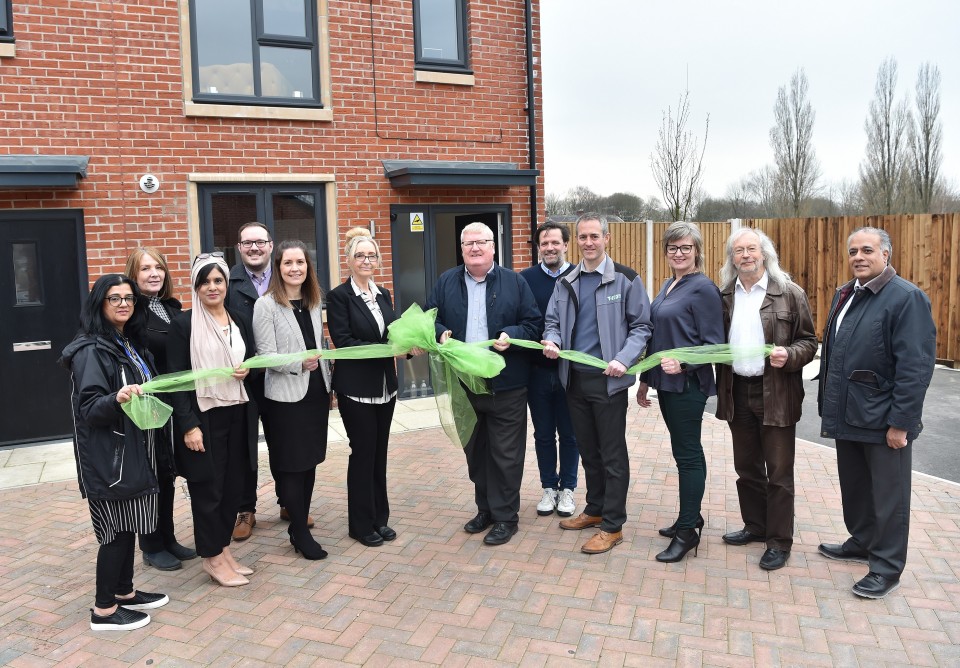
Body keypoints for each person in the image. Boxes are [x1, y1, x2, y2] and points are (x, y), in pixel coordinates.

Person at [817, 226, 936, 599]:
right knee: (856, 488)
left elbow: (915, 367)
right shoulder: (847, 293)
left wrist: (901, 423)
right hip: (849, 413)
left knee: (889, 496)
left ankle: (885, 567)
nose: (858, 257)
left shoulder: (906, 298)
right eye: (853, 251)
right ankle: (863, 541)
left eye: (867, 250)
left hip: (883, 419)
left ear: (886, 254)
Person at [60, 274, 169, 631]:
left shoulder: (124, 342)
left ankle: (123, 591)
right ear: (99, 304)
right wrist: (116, 398)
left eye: (128, 298)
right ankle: (104, 610)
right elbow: (89, 409)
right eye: (114, 298)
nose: (123, 304)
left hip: (132, 450)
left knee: (128, 527)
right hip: (111, 460)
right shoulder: (91, 349)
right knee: (114, 534)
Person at [425, 222, 542, 546]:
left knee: (506, 454)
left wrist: (512, 336)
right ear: (461, 249)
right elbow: (428, 316)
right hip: (464, 383)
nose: (474, 248)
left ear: (493, 247)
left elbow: (533, 324)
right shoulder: (447, 281)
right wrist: (439, 331)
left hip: (507, 384)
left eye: (481, 242)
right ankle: (486, 509)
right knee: (476, 452)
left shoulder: (514, 283)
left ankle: (506, 518)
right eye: (468, 243)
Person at [543, 212, 652, 554]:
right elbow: (552, 322)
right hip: (574, 380)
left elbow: (642, 327)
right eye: (583, 237)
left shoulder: (625, 279)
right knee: (588, 451)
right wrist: (552, 340)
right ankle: (594, 509)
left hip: (609, 381)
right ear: (576, 241)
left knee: (612, 454)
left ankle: (613, 525)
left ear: (607, 238)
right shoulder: (566, 282)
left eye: (594, 236)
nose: (588, 243)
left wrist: (624, 358)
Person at [714, 228, 817, 571]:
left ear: (764, 254)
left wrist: (789, 354)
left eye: (751, 249)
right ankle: (755, 526)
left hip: (776, 393)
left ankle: (778, 541)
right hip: (737, 391)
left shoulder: (789, 293)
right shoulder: (725, 295)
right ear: (732, 257)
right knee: (746, 468)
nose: (745, 255)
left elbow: (809, 342)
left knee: (779, 473)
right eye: (738, 250)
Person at [168, 253, 259, 587]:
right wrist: (188, 424)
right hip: (203, 417)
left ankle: (223, 549)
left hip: (238, 411)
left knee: (233, 486)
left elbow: (251, 358)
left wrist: (248, 368)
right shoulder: (183, 325)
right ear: (195, 286)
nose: (212, 287)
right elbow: (177, 379)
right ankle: (211, 557)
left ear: (226, 283)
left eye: (218, 280)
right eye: (204, 281)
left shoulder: (237, 318)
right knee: (209, 490)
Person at [327, 228, 422, 547]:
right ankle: (360, 524)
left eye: (371, 255)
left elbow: (392, 337)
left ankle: (380, 519)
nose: (366, 260)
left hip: (386, 386)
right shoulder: (338, 297)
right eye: (360, 255)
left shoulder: (383, 294)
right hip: (356, 389)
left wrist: (409, 347)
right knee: (363, 453)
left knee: (379, 455)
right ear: (349, 261)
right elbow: (345, 342)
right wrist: (390, 350)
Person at [637, 222, 724, 563]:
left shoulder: (703, 289)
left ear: (697, 251)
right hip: (666, 384)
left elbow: (714, 345)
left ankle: (688, 531)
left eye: (685, 247)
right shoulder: (669, 284)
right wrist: (646, 377)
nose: (679, 253)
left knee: (688, 456)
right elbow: (657, 337)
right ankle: (691, 515)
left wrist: (685, 366)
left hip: (687, 386)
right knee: (681, 452)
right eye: (673, 248)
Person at [252, 240, 332, 560]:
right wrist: (298, 362)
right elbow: (265, 356)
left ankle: (300, 522)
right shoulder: (266, 305)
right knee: (292, 466)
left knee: (310, 461)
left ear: (307, 267)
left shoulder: (313, 302)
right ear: (278, 267)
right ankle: (298, 531)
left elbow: (318, 343)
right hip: (285, 399)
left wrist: (328, 377)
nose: (295, 268)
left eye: (300, 262)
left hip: (316, 393)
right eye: (288, 263)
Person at [123, 247, 198, 571]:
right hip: (148, 405)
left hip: (174, 400)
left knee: (167, 473)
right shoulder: (132, 312)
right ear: (134, 275)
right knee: (152, 473)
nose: (154, 274)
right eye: (145, 269)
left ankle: (167, 537)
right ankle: (151, 545)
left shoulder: (171, 307)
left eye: (159, 268)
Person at [519, 222, 579, 518]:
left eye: (555, 242)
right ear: (538, 247)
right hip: (537, 371)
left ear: (566, 245)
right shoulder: (524, 279)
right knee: (543, 433)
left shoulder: (580, 276)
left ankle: (568, 488)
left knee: (570, 434)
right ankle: (548, 487)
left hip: (571, 372)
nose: (550, 248)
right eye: (544, 243)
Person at [226, 222, 274, 541]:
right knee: (244, 447)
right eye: (247, 243)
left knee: (284, 439)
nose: (254, 248)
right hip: (243, 380)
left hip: (281, 375)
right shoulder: (228, 281)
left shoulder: (287, 276)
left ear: (271, 245)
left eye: (259, 242)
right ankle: (246, 509)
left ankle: (289, 501)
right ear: (239, 248)